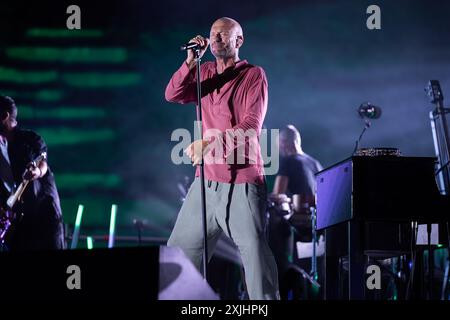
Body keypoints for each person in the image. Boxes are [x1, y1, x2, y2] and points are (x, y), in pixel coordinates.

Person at [165, 17, 279, 300]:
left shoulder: (253, 75)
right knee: (178, 254)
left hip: (242, 181)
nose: (215, 39)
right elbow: (173, 94)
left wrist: (210, 143)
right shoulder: (203, 72)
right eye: (213, 34)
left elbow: (252, 126)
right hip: (206, 182)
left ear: (238, 41)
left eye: (223, 35)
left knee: (254, 259)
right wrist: (190, 62)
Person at [0, 95, 65, 251]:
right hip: (19, 224)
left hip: (45, 218)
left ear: (4, 116)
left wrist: (37, 171)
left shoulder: (31, 139)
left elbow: (42, 162)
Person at [270, 124, 323, 299]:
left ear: (284, 143)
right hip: (318, 229)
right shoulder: (315, 163)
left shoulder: (289, 161)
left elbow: (278, 196)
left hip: (298, 231)